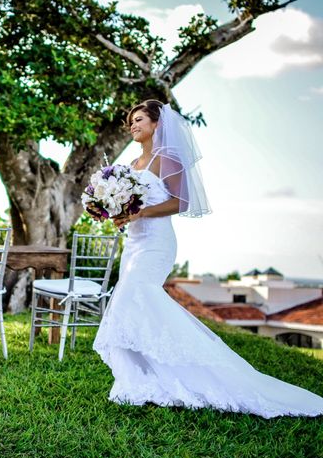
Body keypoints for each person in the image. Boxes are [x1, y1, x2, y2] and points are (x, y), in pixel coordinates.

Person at [92, 99, 323, 418]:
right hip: (133, 243)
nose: (133, 125)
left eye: (140, 119)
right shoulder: (132, 164)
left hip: (157, 243)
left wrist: (141, 212)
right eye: (131, 121)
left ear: (157, 124)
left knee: (139, 296)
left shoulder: (167, 158)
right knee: (127, 302)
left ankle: (197, 366)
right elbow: (130, 207)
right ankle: (140, 377)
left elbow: (181, 201)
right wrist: (118, 213)